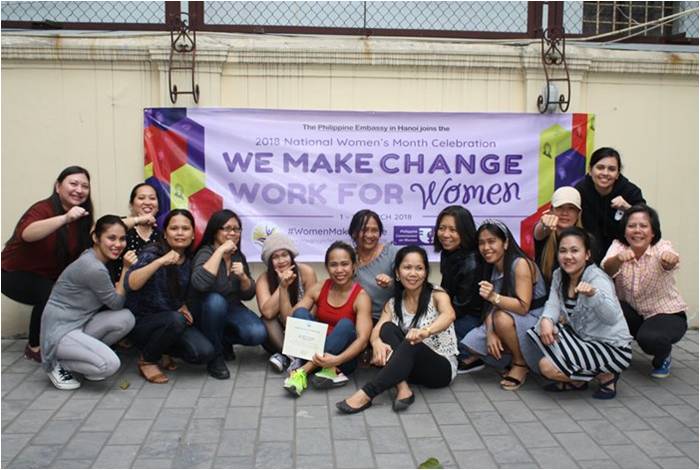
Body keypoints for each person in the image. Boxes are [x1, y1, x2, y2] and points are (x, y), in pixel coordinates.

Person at [336, 245, 458, 414]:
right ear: (398, 273)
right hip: (409, 368)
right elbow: (378, 329)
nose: (413, 273)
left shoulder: (437, 294)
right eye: (407, 268)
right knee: (387, 328)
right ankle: (403, 388)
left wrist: (426, 331)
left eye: (419, 268)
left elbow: (449, 315)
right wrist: (376, 342)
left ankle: (367, 394)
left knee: (411, 341)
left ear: (426, 272)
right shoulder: (393, 303)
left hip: (440, 369)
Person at [2, 166, 94, 363]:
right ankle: (34, 346)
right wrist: (64, 218)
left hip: (46, 276)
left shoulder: (82, 217)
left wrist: (137, 219)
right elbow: (27, 233)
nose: (79, 189)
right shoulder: (43, 209)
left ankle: (67, 338)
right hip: (12, 273)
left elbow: (103, 232)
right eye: (73, 183)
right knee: (49, 293)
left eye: (85, 186)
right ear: (58, 186)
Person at [527, 227, 633, 399]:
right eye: (563, 251)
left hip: (611, 346)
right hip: (583, 338)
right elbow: (552, 304)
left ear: (587, 254)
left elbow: (612, 317)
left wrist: (593, 294)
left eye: (575, 250)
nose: (568, 256)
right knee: (541, 330)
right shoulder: (559, 275)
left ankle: (606, 375)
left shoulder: (597, 278)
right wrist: (546, 320)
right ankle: (578, 380)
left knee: (547, 366)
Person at [40, 215, 136, 390]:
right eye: (111, 238)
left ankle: (87, 358)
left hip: (79, 324)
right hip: (60, 332)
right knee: (110, 365)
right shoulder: (94, 267)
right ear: (95, 238)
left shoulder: (92, 255)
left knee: (126, 318)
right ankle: (56, 363)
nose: (118, 244)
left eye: (122, 239)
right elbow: (116, 303)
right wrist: (127, 269)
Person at [125, 209, 214, 383]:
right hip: (142, 323)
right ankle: (148, 359)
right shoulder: (153, 252)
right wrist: (159, 262)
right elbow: (132, 283)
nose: (180, 233)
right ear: (165, 234)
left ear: (193, 235)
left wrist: (183, 304)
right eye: (174, 228)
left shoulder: (189, 259)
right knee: (175, 319)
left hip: (170, 321)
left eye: (185, 228)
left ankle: (163, 349)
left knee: (203, 353)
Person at [602, 204, 687, 378]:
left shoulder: (661, 246)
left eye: (643, 226)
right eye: (632, 226)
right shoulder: (618, 246)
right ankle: (614, 354)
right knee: (605, 308)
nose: (637, 230)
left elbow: (670, 258)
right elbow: (607, 269)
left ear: (653, 232)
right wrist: (618, 259)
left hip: (666, 313)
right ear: (625, 231)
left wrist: (669, 260)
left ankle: (662, 356)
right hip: (634, 312)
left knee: (650, 339)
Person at [461, 220, 547, 391]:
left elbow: (523, 306)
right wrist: (491, 332)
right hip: (508, 315)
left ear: (506, 243)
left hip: (534, 316)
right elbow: (489, 307)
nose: (486, 247)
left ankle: (520, 363)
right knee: (471, 345)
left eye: (492, 241)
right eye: (481, 243)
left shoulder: (520, 264)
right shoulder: (493, 266)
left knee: (500, 320)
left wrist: (494, 297)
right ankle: (510, 353)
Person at [279, 241, 372, 397]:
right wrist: (283, 288)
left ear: (353, 266)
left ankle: (303, 372)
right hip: (315, 349)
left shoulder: (361, 297)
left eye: (345, 264)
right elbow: (291, 320)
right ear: (327, 267)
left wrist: (336, 360)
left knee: (346, 324)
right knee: (301, 312)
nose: (339, 270)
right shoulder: (320, 287)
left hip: (342, 357)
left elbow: (362, 341)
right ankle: (326, 371)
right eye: (333, 265)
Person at [190, 209, 267, 380]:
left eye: (236, 229)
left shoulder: (238, 256)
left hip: (231, 308)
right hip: (206, 310)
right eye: (227, 228)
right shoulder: (205, 253)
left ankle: (222, 341)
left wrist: (244, 277)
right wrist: (220, 252)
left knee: (257, 334)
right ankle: (215, 357)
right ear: (215, 231)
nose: (232, 233)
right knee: (216, 301)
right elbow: (200, 284)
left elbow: (248, 294)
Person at [256, 232, 317, 373]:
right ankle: (290, 356)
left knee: (306, 315)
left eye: (284, 255)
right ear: (269, 261)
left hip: (304, 329)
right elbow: (267, 312)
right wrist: (282, 285)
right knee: (266, 320)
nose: (281, 260)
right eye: (275, 257)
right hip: (279, 336)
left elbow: (314, 309)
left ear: (291, 256)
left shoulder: (306, 272)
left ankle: (286, 358)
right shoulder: (264, 279)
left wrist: (296, 323)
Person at [433, 205, 483, 373]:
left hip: (473, 318)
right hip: (455, 311)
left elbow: (460, 306)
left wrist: (432, 321)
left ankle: (472, 356)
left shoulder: (472, 261)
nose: (445, 235)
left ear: (465, 232)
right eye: (442, 228)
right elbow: (446, 291)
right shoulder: (448, 252)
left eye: (453, 230)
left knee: (431, 336)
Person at [575, 147, 645, 263]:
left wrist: (628, 208)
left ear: (618, 174)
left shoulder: (630, 191)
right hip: (589, 255)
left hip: (624, 256)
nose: (605, 173)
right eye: (600, 168)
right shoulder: (580, 190)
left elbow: (647, 222)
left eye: (611, 169)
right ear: (590, 170)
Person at [348, 210, 398, 322]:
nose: (369, 235)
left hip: (387, 319)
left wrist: (391, 282)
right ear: (354, 232)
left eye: (374, 230)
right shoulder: (347, 258)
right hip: (354, 318)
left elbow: (411, 286)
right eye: (364, 230)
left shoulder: (392, 253)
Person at [109, 182, 161, 282]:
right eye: (141, 198)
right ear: (131, 204)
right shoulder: (123, 227)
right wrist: (139, 219)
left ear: (158, 206)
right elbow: (102, 230)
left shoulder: (161, 235)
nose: (147, 202)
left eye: (152, 198)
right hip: (120, 289)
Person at [532, 186, 583, 286]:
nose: (565, 213)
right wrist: (544, 224)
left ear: (578, 213)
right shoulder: (545, 234)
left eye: (571, 208)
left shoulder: (587, 239)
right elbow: (539, 232)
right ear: (551, 210)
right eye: (560, 207)